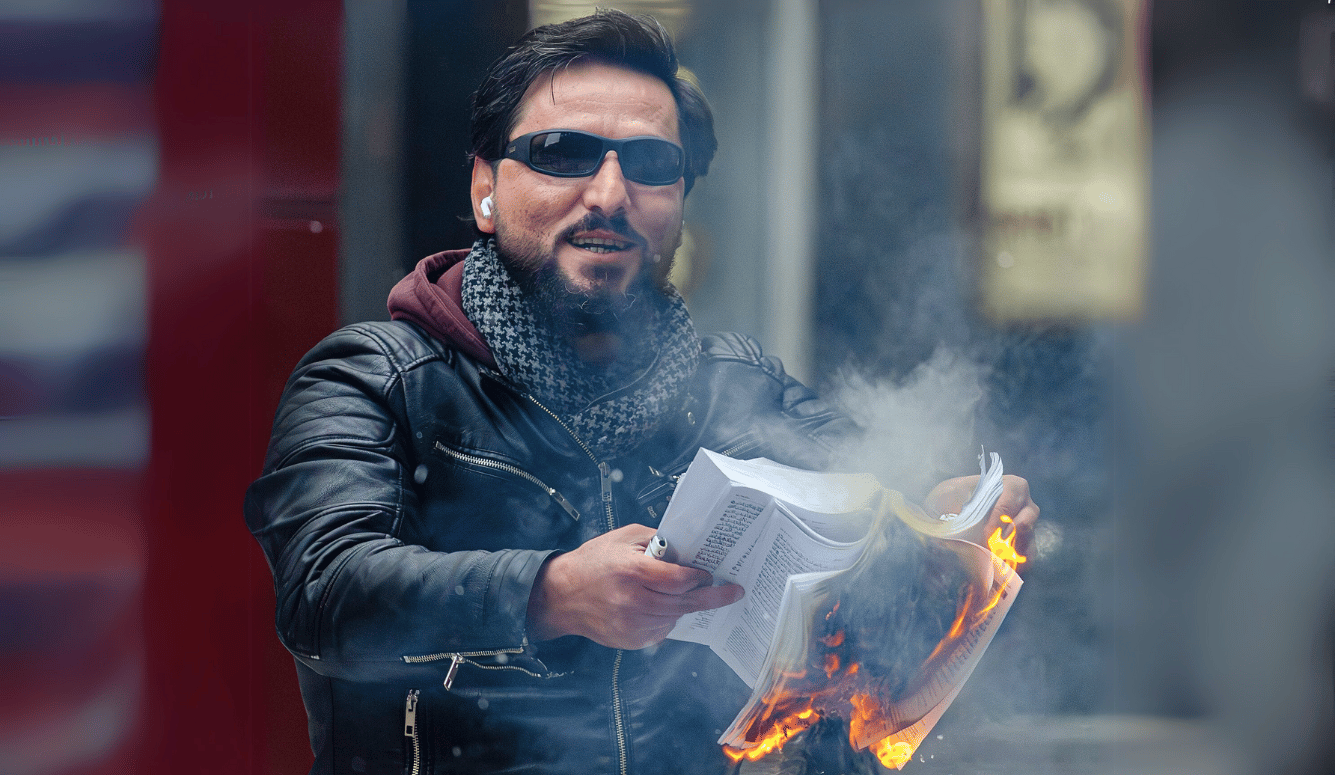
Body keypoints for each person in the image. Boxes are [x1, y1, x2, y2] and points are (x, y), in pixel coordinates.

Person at [244, 10, 1038, 775]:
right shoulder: (378, 378)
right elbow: (326, 590)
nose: (609, 194)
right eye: (563, 153)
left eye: (652, 164)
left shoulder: (741, 389)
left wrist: (944, 532)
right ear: (485, 186)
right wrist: (548, 593)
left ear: (681, 204)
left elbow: (876, 527)